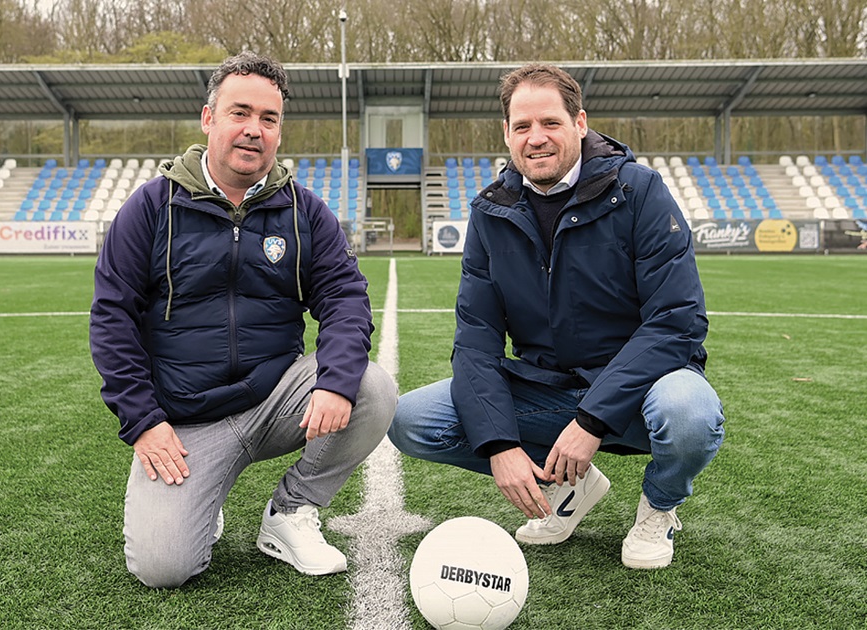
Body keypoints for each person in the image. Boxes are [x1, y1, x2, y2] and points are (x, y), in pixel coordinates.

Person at [389, 63, 725, 569]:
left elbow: (677, 319)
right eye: (521, 127)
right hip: (546, 388)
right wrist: (499, 444)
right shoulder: (490, 211)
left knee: (690, 413)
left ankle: (659, 506)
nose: (536, 138)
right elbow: (476, 338)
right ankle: (572, 485)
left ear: (580, 123)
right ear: (506, 133)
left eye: (549, 123)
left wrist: (592, 420)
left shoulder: (639, 191)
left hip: (638, 394)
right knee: (411, 420)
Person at [89, 52, 396, 588]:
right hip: (186, 422)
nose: (254, 130)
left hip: (277, 398)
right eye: (240, 113)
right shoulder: (151, 207)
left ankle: (291, 511)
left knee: (369, 385)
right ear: (209, 119)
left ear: (279, 129)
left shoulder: (304, 211)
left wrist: (336, 382)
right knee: (164, 568)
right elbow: (112, 318)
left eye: (268, 119)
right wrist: (144, 422)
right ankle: (201, 498)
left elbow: (345, 297)